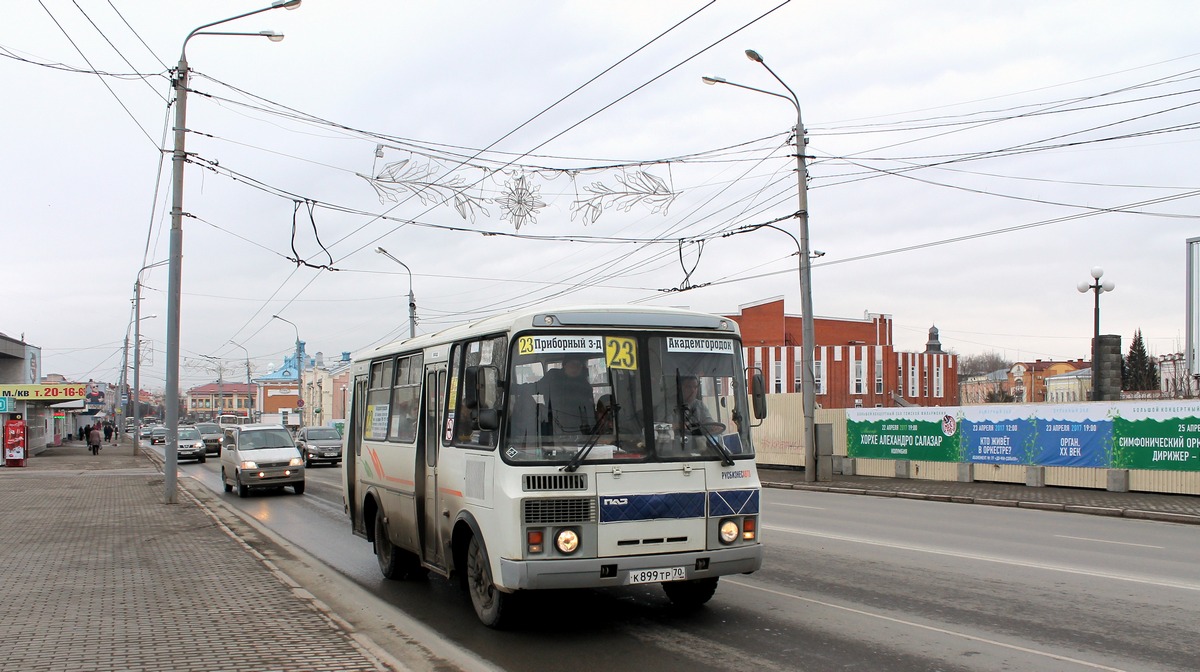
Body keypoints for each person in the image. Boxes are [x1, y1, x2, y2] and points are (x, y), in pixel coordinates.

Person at [539, 354, 595, 435]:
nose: (575, 367)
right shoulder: (553, 377)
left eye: (578, 365)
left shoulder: (585, 386)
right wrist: (516, 388)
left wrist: (592, 430)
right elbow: (535, 388)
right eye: (572, 364)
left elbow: (590, 411)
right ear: (564, 365)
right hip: (554, 426)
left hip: (579, 430)